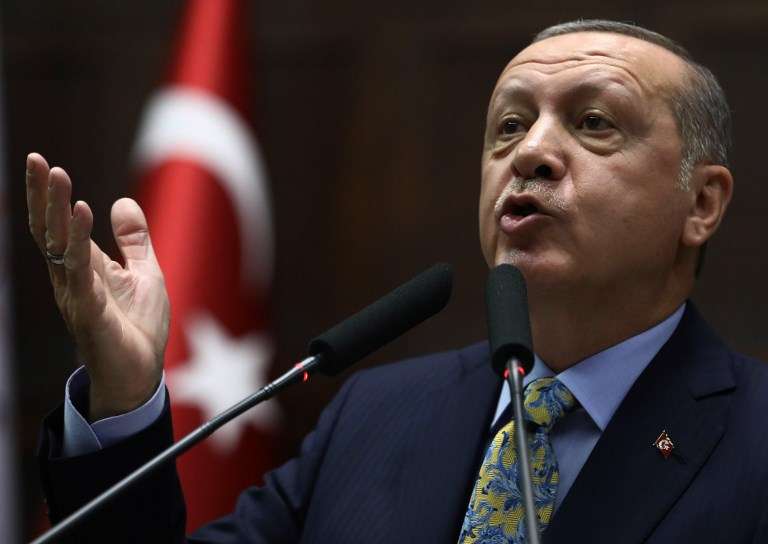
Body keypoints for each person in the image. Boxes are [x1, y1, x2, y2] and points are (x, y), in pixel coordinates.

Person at [31, 19, 768, 543]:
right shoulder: (377, 415)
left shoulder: (753, 440)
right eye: (509, 126)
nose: (533, 152)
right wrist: (125, 396)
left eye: (596, 122)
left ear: (701, 203)